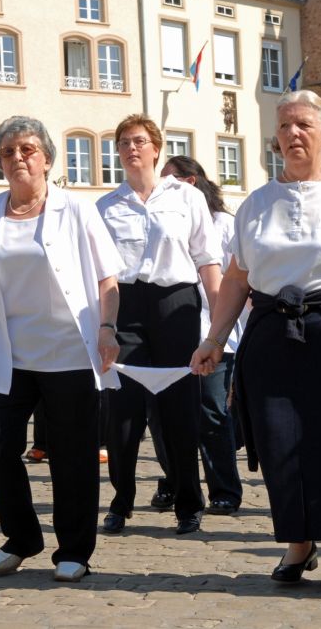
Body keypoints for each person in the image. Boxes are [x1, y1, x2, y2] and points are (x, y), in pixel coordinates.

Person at [191, 89, 321, 593]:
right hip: (271, 334)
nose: (292, 134)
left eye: (303, 124)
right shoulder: (257, 204)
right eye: (284, 126)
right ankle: (298, 541)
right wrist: (214, 339)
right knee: (278, 441)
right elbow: (238, 280)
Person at [0, 115, 123, 582]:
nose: (18, 158)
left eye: (28, 150)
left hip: (69, 353)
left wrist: (108, 327)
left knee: (73, 457)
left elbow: (107, 277)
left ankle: (74, 549)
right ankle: (22, 536)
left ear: (47, 160)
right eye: (8, 151)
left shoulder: (76, 210)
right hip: (7, 356)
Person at [97, 114, 222, 536]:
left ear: (155, 147)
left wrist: (219, 327)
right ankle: (121, 499)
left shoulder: (186, 198)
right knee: (123, 412)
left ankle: (189, 502)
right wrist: (106, 328)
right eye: (124, 143)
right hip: (127, 306)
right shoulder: (106, 206)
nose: (131, 149)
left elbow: (207, 260)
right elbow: (104, 276)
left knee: (179, 410)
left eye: (139, 141)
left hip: (176, 303)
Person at [157, 154, 243, 516]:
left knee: (211, 413)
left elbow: (237, 279)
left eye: (168, 182)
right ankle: (176, 481)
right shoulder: (160, 218)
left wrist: (227, 330)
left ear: (189, 183)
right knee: (164, 414)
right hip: (169, 328)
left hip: (214, 331)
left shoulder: (224, 224)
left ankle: (224, 488)